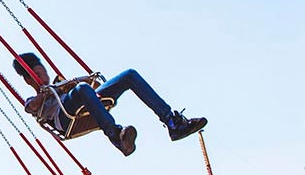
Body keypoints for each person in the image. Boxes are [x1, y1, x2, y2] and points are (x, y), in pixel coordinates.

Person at [13, 52, 207, 156]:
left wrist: (72, 85)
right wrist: (46, 92)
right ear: (28, 81)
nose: (42, 77)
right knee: (81, 89)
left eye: (42, 72)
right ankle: (116, 136)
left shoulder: (62, 84)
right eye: (36, 76)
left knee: (129, 75)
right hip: (66, 119)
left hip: (86, 102)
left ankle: (173, 123)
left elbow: (91, 86)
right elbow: (31, 107)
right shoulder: (35, 100)